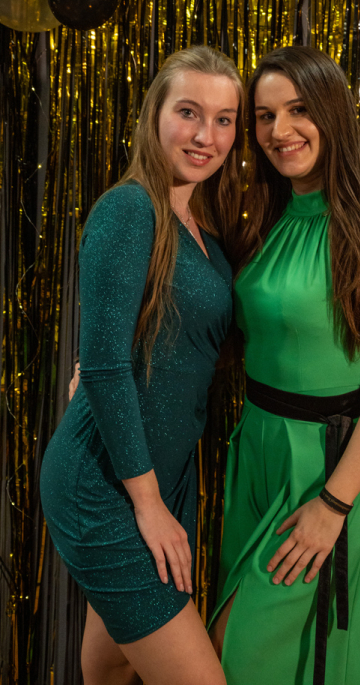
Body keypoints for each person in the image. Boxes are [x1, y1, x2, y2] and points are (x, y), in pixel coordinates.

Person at [208, 46, 360, 685]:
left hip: (330, 464)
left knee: (240, 651)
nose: (279, 130)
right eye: (264, 115)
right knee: (238, 654)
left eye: (299, 109)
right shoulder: (262, 215)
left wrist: (334, 504)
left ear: (331, 112)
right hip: (258, 451)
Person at [40, 45, 245, 685]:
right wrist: (149, 505)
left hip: (163, 477)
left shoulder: (203, 230)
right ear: (156, 114)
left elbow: (180, 347)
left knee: (112, 666)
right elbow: (104, 364)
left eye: (223, 119)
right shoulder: (130, 209)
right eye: (189, 112)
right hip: (110, 485)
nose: (205, 136)